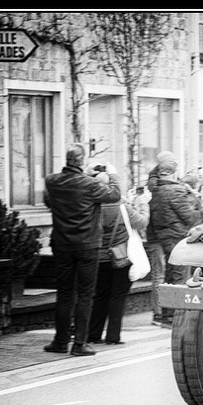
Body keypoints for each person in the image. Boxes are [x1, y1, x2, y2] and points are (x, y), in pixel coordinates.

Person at [43, 143, 121, 356]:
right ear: (81, 161)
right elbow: (114, 195)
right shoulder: (89, 185)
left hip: (62, 245)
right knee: (86, 295)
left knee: (65, 294)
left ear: (67, 160)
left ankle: (60, 342)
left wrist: (84, 173)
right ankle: (79, 344)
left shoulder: (52, 181)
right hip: (88, 246)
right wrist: (112, 174)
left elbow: (49, 201)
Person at [87, 163, 149, 346]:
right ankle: (113, 336)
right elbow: (141, 223)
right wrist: (143, 203)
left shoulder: (91, 205)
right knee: (117, 296)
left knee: (99, 295)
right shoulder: (122, 206)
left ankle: (93, 334)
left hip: (99, 257)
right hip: (121, 257)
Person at [146, 156, 203, 326]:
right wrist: (202, 210)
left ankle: (167, 314)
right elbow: (188, 217)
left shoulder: (157, 190)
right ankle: (175, 317)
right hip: (177, 237)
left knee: (169, 275)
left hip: (164, 237)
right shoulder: (175, 191)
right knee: (179, 277)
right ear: (173, 173)